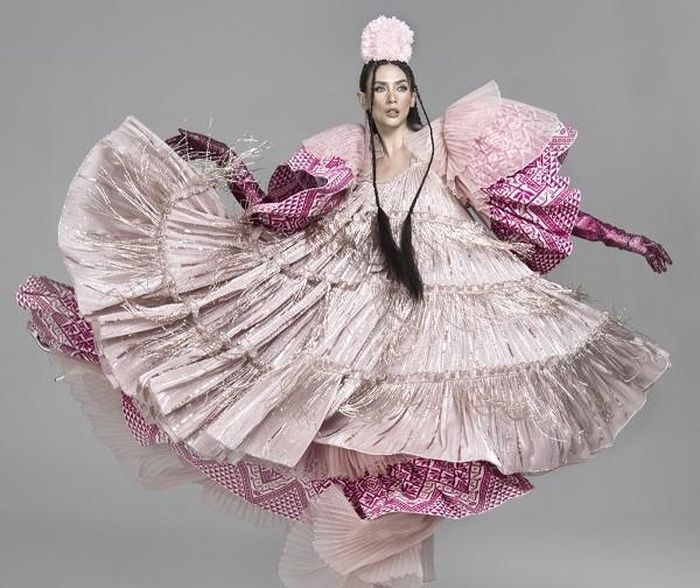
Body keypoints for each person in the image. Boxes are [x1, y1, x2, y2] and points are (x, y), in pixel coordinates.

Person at [16, 14, 672, 588]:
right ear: (364, 96)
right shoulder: (345, 153)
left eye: (401, 88)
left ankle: (379, 569)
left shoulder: (447, 148)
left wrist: (627, 238)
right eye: (379, 89)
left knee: (423, 448)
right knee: (359, 445)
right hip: (356, 319)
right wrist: (226, 164)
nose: (391, 99)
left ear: (414, 94)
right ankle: (364, 572)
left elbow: (542, 207)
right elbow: (277, 214)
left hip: (438, 319)